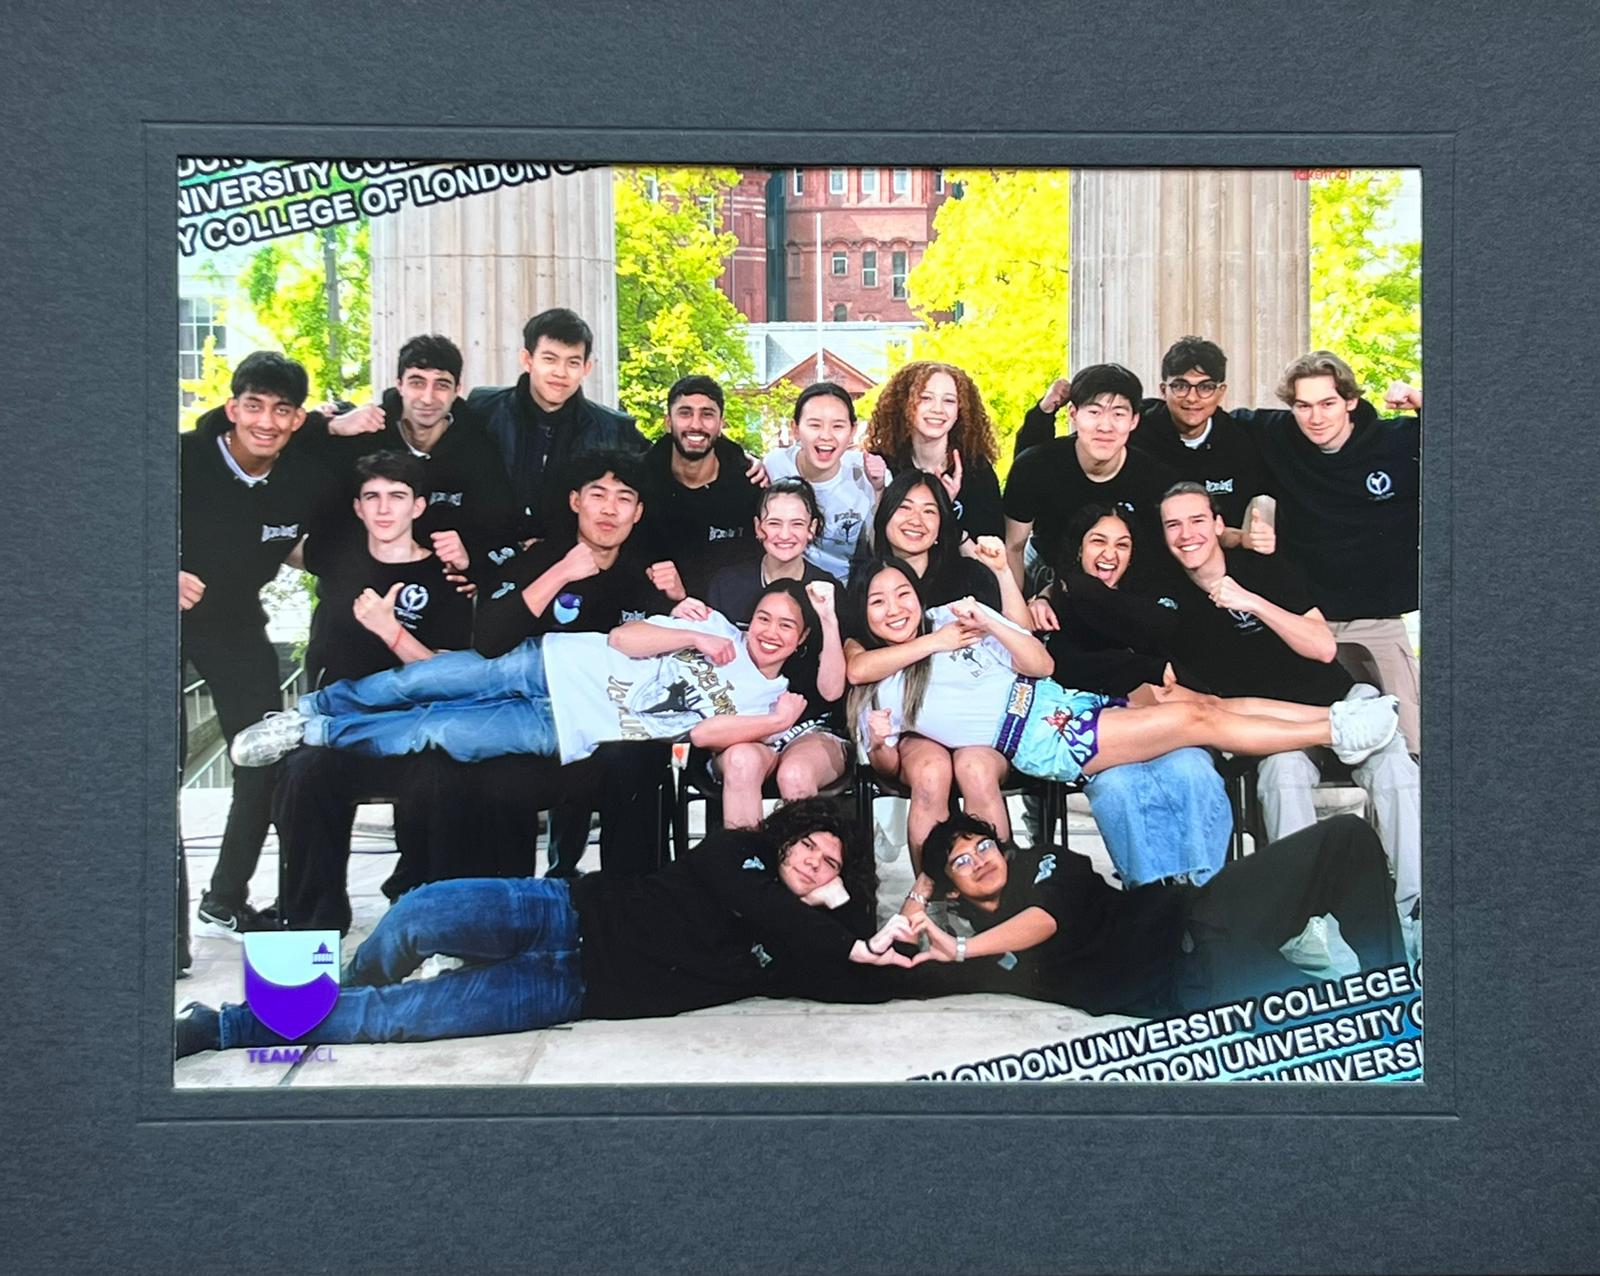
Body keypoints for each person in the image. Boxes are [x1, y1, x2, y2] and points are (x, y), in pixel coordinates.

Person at [174, 799, 925, 1056]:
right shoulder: (737, 852)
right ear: (784, 839)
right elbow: (764, 905)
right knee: (419, 913)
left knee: (403, 1023)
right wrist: (839, 920)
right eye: (809, 847)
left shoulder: (794, 945)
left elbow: (856, 987)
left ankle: (224, 1026)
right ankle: (338, 987)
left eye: (832, 864)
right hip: (561, 909)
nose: (815, 865)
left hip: (570, 990)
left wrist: (863, 932)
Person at [845, 556, 1402, 795]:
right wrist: (938, 640)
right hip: (1043, 737)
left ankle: (1338, 717)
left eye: (902, 595)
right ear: (861, 614)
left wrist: (983, 613)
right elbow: (857, 667)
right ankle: (1335, 733)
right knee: (1194, 719)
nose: (893, 609)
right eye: (877, 602)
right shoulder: (881, 676)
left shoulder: (949, 620)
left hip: (1060, 700)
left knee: (1209, 707)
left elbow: (1036, 660)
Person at [229, 581, 826, 772]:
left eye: (786, 627)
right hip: (551, 661)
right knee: (425, 681)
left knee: (433, 731)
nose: (770, 632)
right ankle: (311, 708)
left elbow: (697, 737)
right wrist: (693, 635)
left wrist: (770, 724)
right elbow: (624, 638)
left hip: (566, 728)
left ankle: (316, 736)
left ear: (800, 640)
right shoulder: (716, 625)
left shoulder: (774, 701)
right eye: (765, 617)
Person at [1159, 482, 1420, 919]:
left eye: (1198, 520)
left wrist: (1251, 602)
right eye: (1174, 525)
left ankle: (1416, 910)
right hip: (1275, 729)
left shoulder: (1263, 570)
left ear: (1219, 525)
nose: (1187, 534)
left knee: (1397, 769)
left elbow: (1323, 648)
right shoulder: (1170, 597)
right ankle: (1303, 919)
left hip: (1341, 704)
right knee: (1279, 777)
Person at [908, 812, 1409, 1017]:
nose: (981, 859)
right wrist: (920, 895)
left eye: (983, 845)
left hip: (1203, 916)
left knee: (1345, 837)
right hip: (1198, 985)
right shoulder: (980, 958)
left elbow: (1047, 915)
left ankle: (1391, 990)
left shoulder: (1046, 863)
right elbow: (893, 973)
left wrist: (962, 945)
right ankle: (1378, 1015)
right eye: (962, 861)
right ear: (951, 891)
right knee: (1335, 1023)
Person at [276, 451, 475, 932]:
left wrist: (392, 633)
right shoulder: (336, 557)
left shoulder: (447, 580)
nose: (385, 509)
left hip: (415, 728)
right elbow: (277, 517)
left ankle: (418, 909)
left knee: (445, 776)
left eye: (397, 497)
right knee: (302, 774)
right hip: (347, 726)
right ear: (359, 507)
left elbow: (452, 676)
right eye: (373, 497)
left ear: (419, 507)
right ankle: (311, 924)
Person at [180, 351, 338, 936]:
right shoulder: (183, 458)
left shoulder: (304, 473)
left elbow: (356, 464)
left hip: (236, 622)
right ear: (231, 409)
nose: (266, 421)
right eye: (253, 406)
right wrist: (161, 570)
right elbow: (113, 520)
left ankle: (225, 898)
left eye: (282, 409)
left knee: (262, 753)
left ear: (297, 419)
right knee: (153, 760)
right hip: (162, 617)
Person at [1232, 350, 1422, 753]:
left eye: (1327, 403)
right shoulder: (1276, 435)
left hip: (1377, 617)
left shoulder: (1395, 442)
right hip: (1306, 619)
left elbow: (1481, 436)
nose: (1315, 417)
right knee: (1288, 750)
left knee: (1410, 744)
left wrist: (1425, 401)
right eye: (1303, 406)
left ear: (1351, 401)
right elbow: (1193, 412)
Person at [845, 471, 1035, 863]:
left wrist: (1002, 572)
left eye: (930, 510)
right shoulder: (867, 580)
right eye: (905, 507)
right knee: (931, 770)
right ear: (884, 518)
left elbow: (1021, 636)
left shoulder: (967, 575)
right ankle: (929, 898)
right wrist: (935, 642)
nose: (916, 519)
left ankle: (1001, 889)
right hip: (913, 722)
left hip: (977, 715)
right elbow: (858, 666)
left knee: (974, 768)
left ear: (942, 527)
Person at [297, 334, 521, 584]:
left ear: (457, 390)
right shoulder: (364, 433)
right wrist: (330, 425)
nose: (427, 397)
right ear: (399, 384)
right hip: (355, 589)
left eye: (441, 385)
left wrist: (473, 564)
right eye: (417, 382)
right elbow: (279, 440)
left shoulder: (478, 449)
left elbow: (502, 529)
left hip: (434, 598)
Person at [467, 308, 648, 541]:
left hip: (572, 560)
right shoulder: (482, 410)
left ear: (586, 368)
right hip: (487, 555)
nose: (560, 373)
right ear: (527, 360)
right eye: (549, 359)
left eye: (572, 362)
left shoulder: (615, 430)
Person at [1003, 363, 1179, 596]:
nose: (1105, 426)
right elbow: (1014, 547)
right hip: (1048, 571)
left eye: (1118, 414)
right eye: (1094, 412)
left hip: (1125, 580)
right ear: (1073, 414)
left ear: (1134, 420)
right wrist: (1019, 618)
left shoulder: (1154, 478)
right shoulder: (1035, 466)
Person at [635, 374, 765, 599]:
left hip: (731, 616)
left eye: (707, 414)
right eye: (685, 413)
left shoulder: (750, 483)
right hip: (657, 612)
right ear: (668, 422)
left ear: (721, 424)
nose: (695, 424)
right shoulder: (639, 481)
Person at [861, 360, 1004, 542]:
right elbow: (872, 547)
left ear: (961, 410)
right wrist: (879, 491)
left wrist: (944, 506)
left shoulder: (977, 471)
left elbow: (989, 552)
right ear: (904, 404)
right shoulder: (882, 466)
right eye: (926, 398)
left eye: (949, 401)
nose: (938, 409)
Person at [762, 381, 882, 580]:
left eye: (838, 426)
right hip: (788, 586)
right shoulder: (774, 465)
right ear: (796, 429)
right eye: (815, 425)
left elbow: (883, 546)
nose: (826, 436)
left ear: (852, 431)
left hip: (850, 591)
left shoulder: (869, 474)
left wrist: (879, 490)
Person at [701, 478, 841, 624]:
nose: (784, 535)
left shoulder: (829, 592)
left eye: (797, 524)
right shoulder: (725, 584)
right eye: (774, 523)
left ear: (812, 528)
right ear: (758, 527)